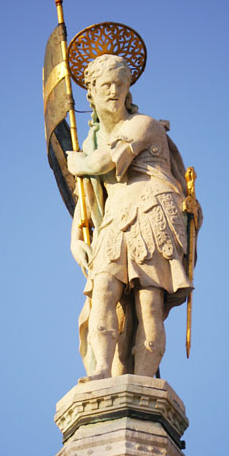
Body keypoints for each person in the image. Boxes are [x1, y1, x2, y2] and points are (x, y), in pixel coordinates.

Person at [67, 54, 199, 381]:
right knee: (103, 291)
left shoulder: (144, 125)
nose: (113, 91)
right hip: (114, 218)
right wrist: (76, 239)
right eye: (104, 86)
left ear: (128, 90)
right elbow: (91, 197)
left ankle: (142, 378)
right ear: (91, 94)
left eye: (119, 84)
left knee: (149, 303)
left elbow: (106, 162)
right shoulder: (89, 142)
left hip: (152, 213)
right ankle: (101, 369)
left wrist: (77, 164)